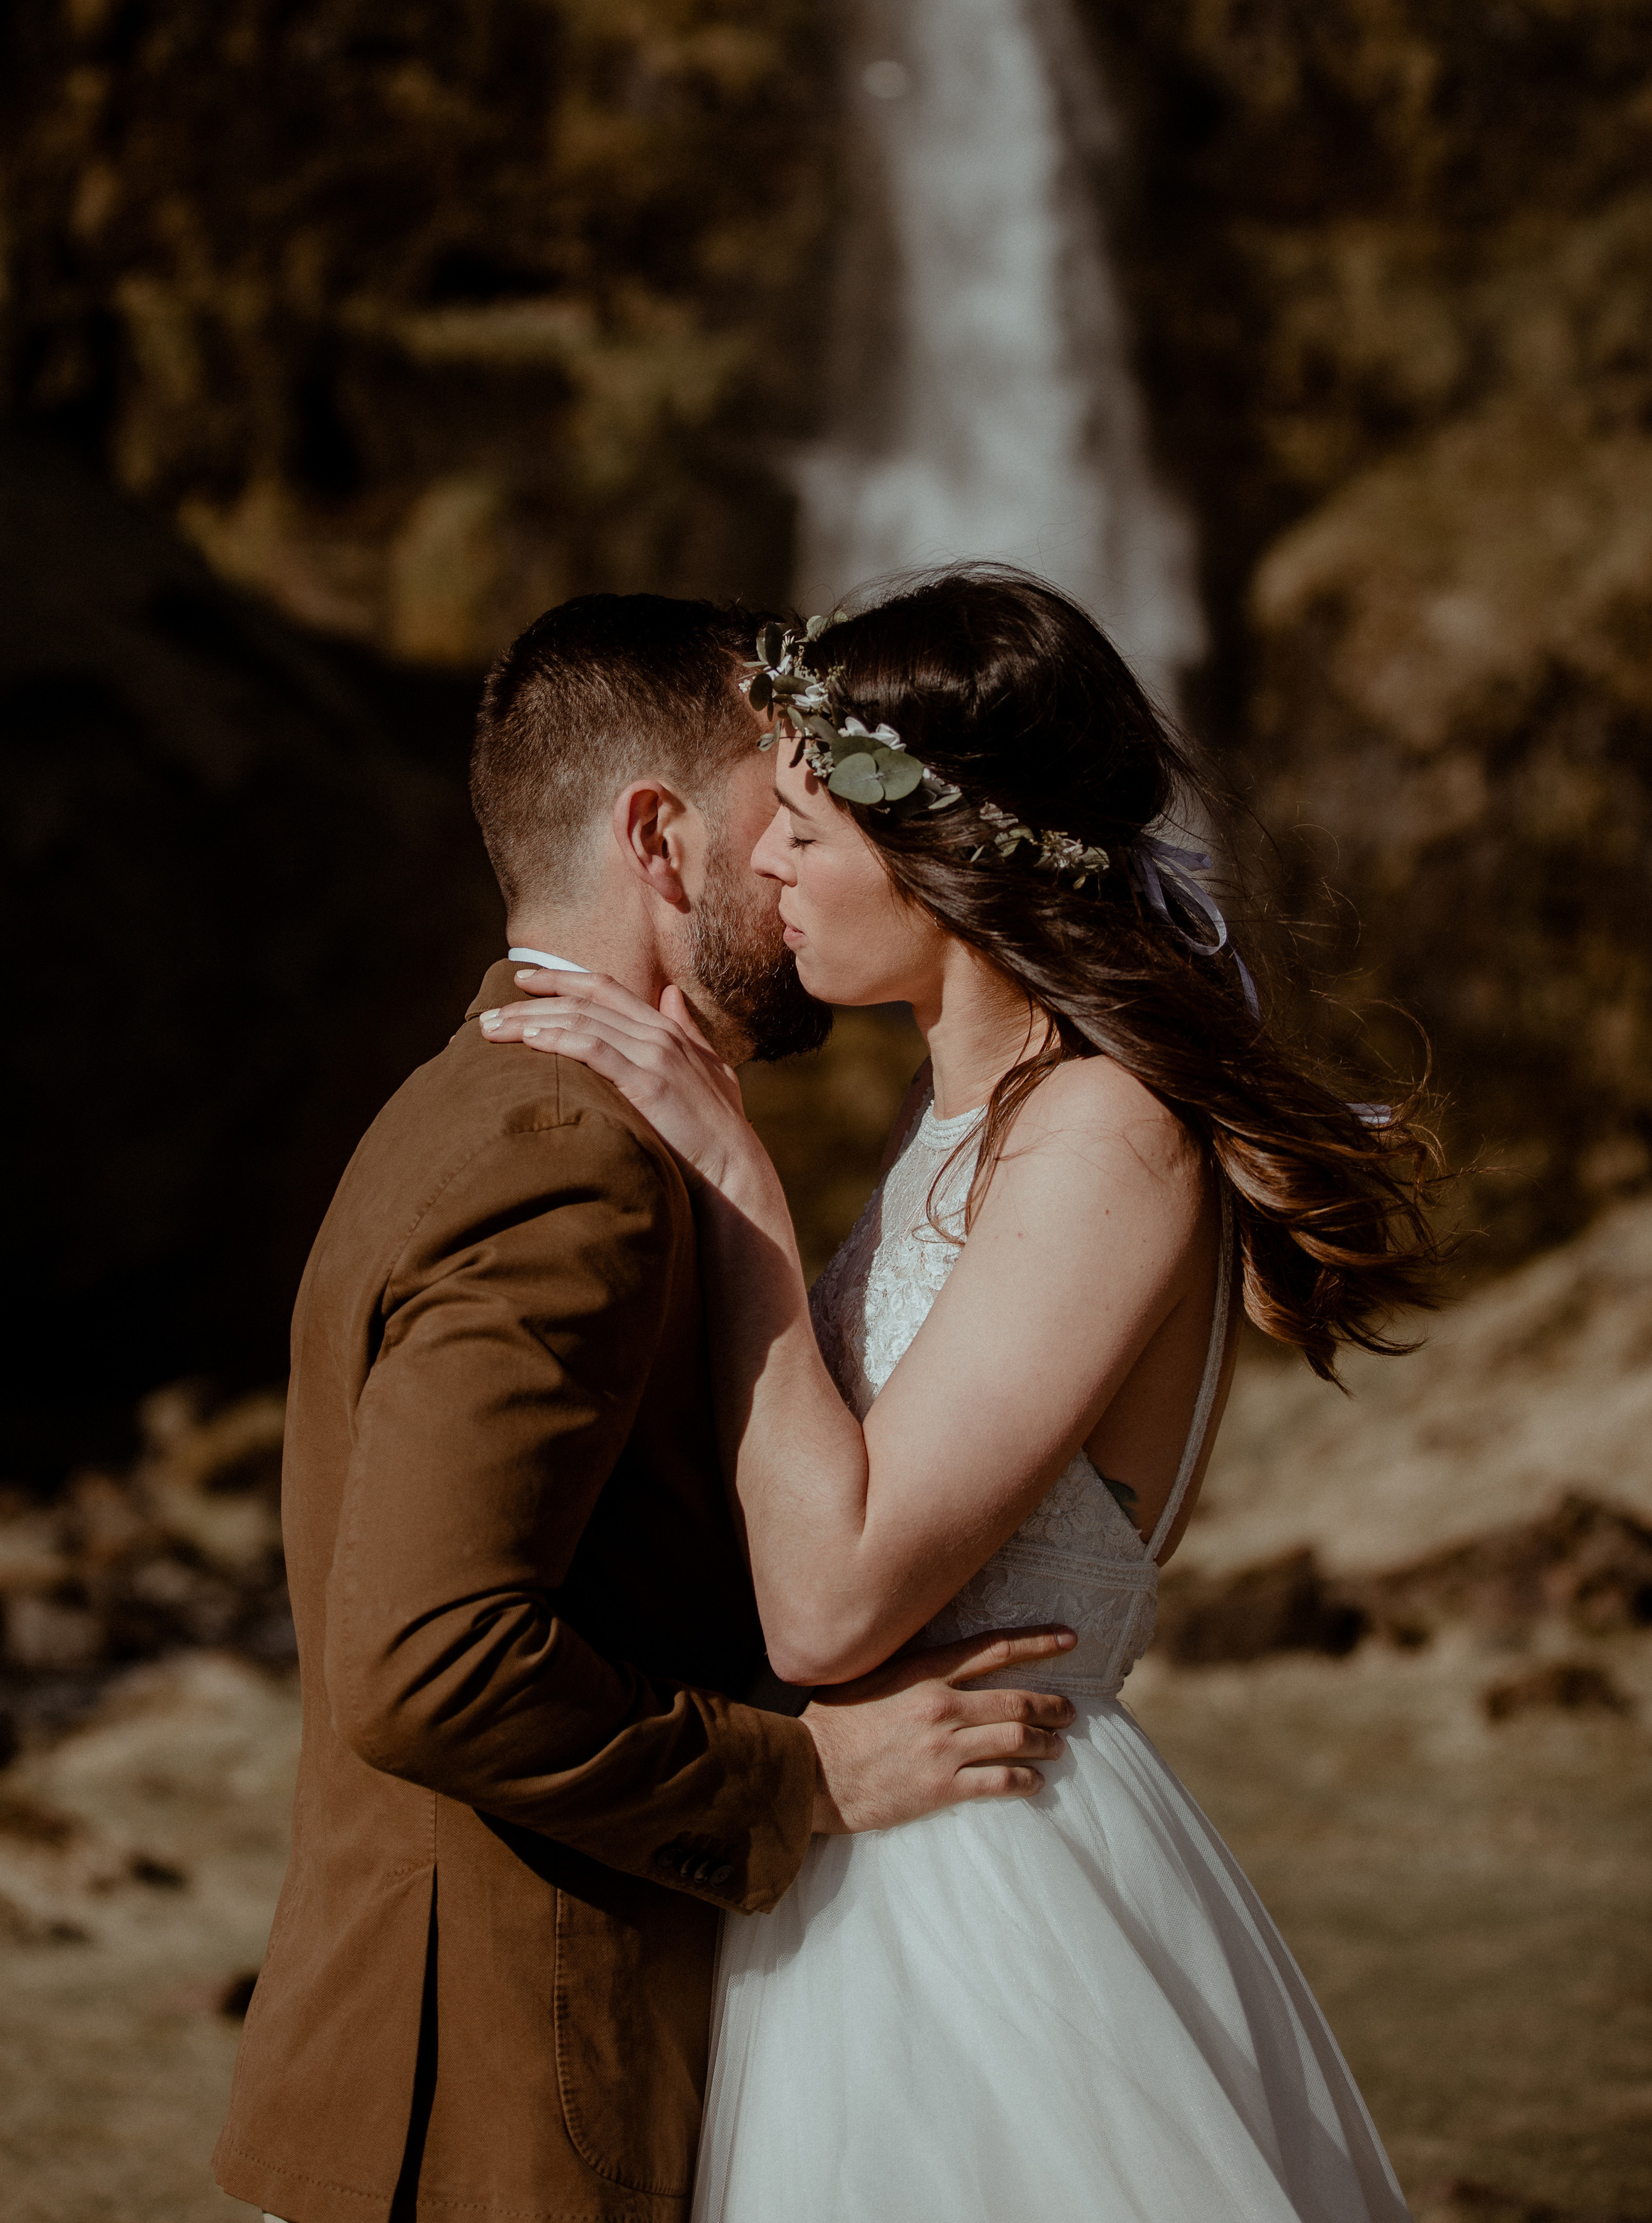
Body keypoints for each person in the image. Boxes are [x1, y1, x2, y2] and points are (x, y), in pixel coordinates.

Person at [487, 567, 1440, 2223]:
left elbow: (832, 1603)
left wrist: (739, 1198)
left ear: (942, 848)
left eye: (800, 819)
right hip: (879, 1845)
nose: (762, 862)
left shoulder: (1100, 1137)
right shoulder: (968, 1127)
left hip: (986, 1887)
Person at [212, 592, 1078, 2223]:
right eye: (782, 812)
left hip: (442, 2081)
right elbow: (427, 1661)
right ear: (659, 840)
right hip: (510, 2105)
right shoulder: (567, 1152)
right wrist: (802, 1783)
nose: (806, 864)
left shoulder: (469, 1096)